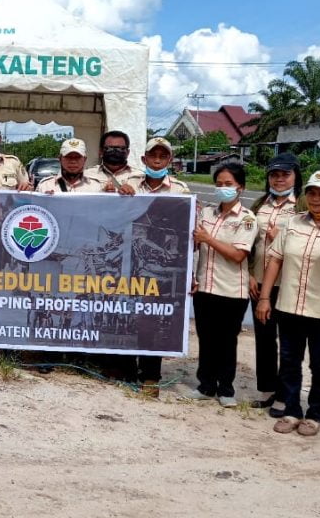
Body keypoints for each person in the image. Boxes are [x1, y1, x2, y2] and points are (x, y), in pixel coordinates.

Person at [255, 170, 320, 437]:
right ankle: (291, 410)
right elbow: (275, 260)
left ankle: (314, 415)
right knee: (289, 361)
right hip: (289, 307)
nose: (316, 199)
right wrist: (265, 298)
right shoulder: (292, 224)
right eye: (312, 192)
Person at [118, 137, 191, 396]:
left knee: (152, 319)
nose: (157, 160)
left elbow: (188, 233)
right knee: (127, 316)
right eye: (153, 155)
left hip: (159, 271)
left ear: (170, 160)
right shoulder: (130, 186)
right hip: (132, 267)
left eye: (163, 156)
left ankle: (151, 376)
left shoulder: (180, 192)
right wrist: (115, 192)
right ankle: (126, 370)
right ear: (144, 159)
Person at [186, 161, 257, 407]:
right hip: (205, 287)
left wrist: (208, 238)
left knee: (227, 341)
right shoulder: (206, 213)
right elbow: (194, 246)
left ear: (241, 187)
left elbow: (238, 255)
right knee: (206, 339)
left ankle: (226, 389)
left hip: (231, 291)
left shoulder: (247, 219)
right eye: (219, 184)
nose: (223, 188)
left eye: (228, 184)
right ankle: (205, 385)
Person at [247, 152, 304, 414]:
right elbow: (249, 243)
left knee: (291, 344)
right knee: (265, 339)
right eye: (274, 174)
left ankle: (286, 396)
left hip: (289, 283)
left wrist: (284, 237)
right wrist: (249, 274)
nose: (279, 179)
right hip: (259, 281)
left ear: (296, 176)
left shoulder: (303, 206)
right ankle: (268, 390)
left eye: (285, 174)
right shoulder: (259, 205)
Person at [35, 138, 106, 193]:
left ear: (84, 159)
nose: (73, 161)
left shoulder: (97, 187)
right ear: (60, 158)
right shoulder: (45, 186)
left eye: (78, 157)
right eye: (68, 157)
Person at [92, 130, 137, 195]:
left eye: (121, 148)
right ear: (101, 151)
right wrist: (102, 195)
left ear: (128, 152)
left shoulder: (141, 177)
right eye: (109, 148)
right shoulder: (86, 176)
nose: (115, 152)